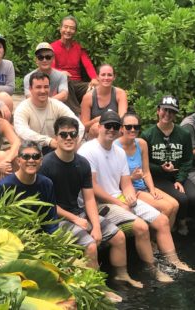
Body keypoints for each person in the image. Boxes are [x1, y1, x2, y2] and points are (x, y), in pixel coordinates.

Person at [78, 110, 195, 280]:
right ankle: (153, 269)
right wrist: (119, 203)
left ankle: (174, 261)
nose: (112, 129)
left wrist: (129, 195)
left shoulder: (118, 152)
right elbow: (92, 188)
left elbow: (126, 183)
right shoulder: (88, 150)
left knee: (162, 221)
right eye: (108, 126)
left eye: (115, 126)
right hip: (98, 203)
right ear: (99, 127)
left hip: (118, 197)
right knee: (141, 227)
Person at [40, 117, 141, 302]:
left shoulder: (82, 163)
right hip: (56, 219)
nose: (69, 138)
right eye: (64, 134)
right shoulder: (47, 165)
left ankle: (121, 275)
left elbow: (88, 198)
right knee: (91, 246)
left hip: (79, 212)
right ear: (56, 136)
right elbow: (48, 204)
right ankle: (97, 288)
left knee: (118, 236)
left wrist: (95, 225)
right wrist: (76, 219)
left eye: (72, 134)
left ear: (78, 137)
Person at [141, 96, 195, 234]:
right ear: (158, 110)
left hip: (178, 174)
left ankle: (188, 220)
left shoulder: (184, 134)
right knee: (182, 198)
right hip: (158, 177)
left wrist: (180, 179)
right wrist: (160, 168)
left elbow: (187, 160)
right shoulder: (147, 135)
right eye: (164, 110)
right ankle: (179, 224)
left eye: (171, 111)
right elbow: (144, 164)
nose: (167, 114)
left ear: (175, 114)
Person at [115, 112, 179, 229]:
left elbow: (146, 171)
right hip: (129, 189)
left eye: (136, 127)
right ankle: (154, 240)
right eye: (129, 127)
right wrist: (132, 178)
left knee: (175, 205)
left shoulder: (142, 144)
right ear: (121, 129)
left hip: (143, 186)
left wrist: (152, 189)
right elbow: (112, 180)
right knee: (167, 207)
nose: (133, 130)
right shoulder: (115, 147)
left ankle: (163, 237)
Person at [0, 140, 58, 234]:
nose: (31, 160)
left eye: (36, 156)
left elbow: (51, 220)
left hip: (40, 238)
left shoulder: (47, 184)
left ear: (41, 161)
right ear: (18, 161)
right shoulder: (4, 186)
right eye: (26, 157)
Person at [14, 71, 84, 155]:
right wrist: (48, 141)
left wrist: (71, 142)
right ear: (30, 89)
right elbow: (22, 131)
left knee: (81, 148)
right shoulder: (22, 108)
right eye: (38, 87)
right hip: (31, 150)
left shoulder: (57, 105)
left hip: (56, 149)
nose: (43, 91)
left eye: (46, 87)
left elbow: (80, 126)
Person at [51, 16, 99, 114]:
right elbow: (50, 69)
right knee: (64, 80)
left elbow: (88, 65)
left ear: (75, 31)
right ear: (60, 29)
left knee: (96, 89)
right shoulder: (52, 47)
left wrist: (94, 78)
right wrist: (60, 73)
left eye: (72, 28)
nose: (68, 30)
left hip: (77, 83)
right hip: (61, 83)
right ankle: (77, 113)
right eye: (65, 27)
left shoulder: (78, 47)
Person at [80, 64, 128, 139]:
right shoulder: (88, 97)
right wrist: (95, 120)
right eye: (103, 75)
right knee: (96, 128)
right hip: (95, 136)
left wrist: (109, 120)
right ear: (97, 77)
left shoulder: (120, 93)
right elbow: (83, 127)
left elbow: (123, 118)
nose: (106, 78)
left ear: (114, 77)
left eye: (109, 75)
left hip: (115, 128)